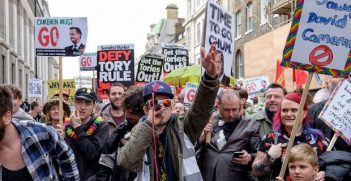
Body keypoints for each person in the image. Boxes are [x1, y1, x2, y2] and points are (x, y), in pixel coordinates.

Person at [117, 44, 220, 181]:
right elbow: (126, 162)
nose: (161, 108)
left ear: (172, 106)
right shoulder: (136, 133)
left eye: (166, 103)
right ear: (145, 110)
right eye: (153, 104)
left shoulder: (183, 126)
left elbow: (201, 108)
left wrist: (210, 78)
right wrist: (149, 124)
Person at [0, 85, 80, 180]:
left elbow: (68, 157)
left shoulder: (41, 133)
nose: (56, 111)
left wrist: (75, 132)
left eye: (59, 108)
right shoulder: (44, 125)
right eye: (53, 109)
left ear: (7, 117)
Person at [252, 93, 327, 181]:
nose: (288, 114)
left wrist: (325, 173)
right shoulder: (271, 138)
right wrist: (269, 157)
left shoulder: (317, 139)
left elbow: (333, 164)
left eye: (294, 110)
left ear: (304, 113)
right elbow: (256, 172)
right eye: (284, 110)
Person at [197, 89, 260, 181]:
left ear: (240, 105)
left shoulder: (251, 126)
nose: (231, 114)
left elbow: (258, 154)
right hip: (206, 176)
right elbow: (190, 148)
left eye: (234, 109)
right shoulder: (208, 120)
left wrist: (249, 157)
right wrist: (202, 136)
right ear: (219, 105)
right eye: (227, 110)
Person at [96, 88, 144, 181]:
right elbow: (105, 163)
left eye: (132, 113)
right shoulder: (120, 130)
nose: (127, 115)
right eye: (125, 110)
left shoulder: (152, 132)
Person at [63, 88, 109, 180]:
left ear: (93, 105)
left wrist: (78, 128)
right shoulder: (66, 125)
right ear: (74, 103)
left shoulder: (101, 125)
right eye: (79, 102)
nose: (83, 107)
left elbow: (92, 154)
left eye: (87, 103)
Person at [308, 77, 351, 152]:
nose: (340, 79)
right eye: (336, 76)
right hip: (320, 159)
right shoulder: (311, 110)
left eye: (345, 76)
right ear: (327, 84)